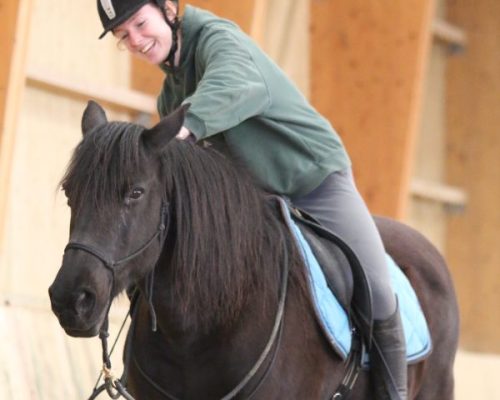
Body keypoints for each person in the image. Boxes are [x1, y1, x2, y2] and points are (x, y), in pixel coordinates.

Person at [96, 1, 407, 398]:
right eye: (124, 36)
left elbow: (236, 83)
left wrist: (181, 130)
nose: (136, 40)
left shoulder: (219, 41)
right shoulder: (169, 95)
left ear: (169, 9)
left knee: (376, 288)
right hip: (256, 205)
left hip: (313, 183)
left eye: (140, 24)